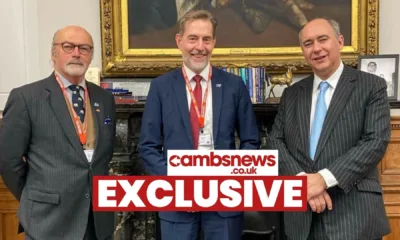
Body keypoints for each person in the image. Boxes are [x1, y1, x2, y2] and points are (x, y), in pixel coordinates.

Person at [139, 9, 260, 240]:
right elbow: (148, 146)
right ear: (179, 41)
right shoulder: (161, 87)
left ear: (214, 42)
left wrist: (229, 181)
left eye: (206, 39)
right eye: (193, 38)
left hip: (225, 201)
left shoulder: (234, 86)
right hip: (176, 203)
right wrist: (180, 186)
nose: (199, 46)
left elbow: (251, 141)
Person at [268, 18, 391, 240]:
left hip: (354, 215)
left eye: (322, 39)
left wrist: (323, 179)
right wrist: (303, 182)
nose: (316, 48)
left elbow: (375, 142)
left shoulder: (371, 86)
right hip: (301, 218)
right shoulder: (292, 94)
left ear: (340, 41)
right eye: (308, 43)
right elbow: (275, 141)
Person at [0, 26, 116, 240]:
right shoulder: (27, 97)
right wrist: (36, 195)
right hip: (48, 221)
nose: (76, 53)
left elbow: (104, 156)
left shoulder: (104, 98)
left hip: (97, 221)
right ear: (53, 53)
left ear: (90, 55)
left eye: (84, 48)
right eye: (68, 46)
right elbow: (8, 161)